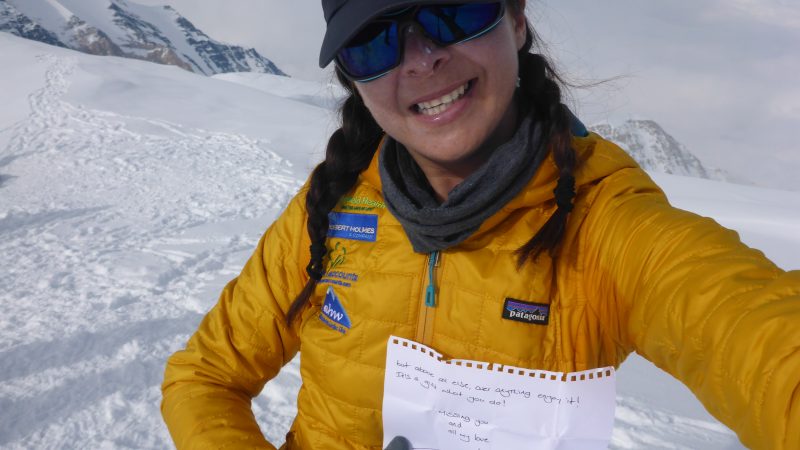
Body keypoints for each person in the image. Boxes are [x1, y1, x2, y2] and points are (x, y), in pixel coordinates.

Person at [160, 1, 800, 449]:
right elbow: (205, 377)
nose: (420, 58)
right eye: (374, 40)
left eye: (453, 10)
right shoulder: (330, 207)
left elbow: (751, 330)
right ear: (353, 78)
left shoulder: (602, 221)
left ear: (515, 18)